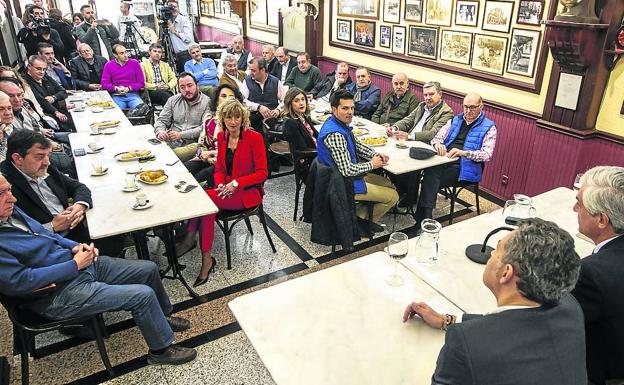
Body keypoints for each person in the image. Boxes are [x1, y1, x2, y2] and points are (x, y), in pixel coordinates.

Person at [0, 174, 198, 366]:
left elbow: (46, 233)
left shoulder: (11, 213)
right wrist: (74, 265)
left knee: (148, 269)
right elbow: (20, 282)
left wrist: (74, 246)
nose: (12, 198)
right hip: (54, 294)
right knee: (142, 295)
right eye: (2, 193)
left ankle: (161, 319)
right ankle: (160, 351)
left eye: (9, 190)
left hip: (75, 266)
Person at [403, 218, 586, 385]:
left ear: (506, 273)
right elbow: (511, 324)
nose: (490, 255)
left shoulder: (467, 343)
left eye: (496, 250)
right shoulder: (571, 308)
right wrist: (447, 320)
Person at [0, 130, 127, 257]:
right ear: (17, 158)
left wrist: (79, 206)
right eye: (39, 156)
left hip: (76, 227)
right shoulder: (4, 186)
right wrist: (52, 226)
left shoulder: (43, 165)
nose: (47, 162)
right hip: (51, 247)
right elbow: (14, 235)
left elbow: (78, 187)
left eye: (48, 155)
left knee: (119, 221)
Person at [184, 99, 267, 287]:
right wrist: (221, 185)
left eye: (237, 117)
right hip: (226, 191)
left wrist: (236, 184)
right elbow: (220, 168)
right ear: (222, 119)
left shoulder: (255, 138)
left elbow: (262, 173)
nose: (233, 121)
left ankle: (192, 242)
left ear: (243, 118)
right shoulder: (222, 138)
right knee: (208, 209)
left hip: (247, 193)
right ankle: (206, 258)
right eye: (229, 117)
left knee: (205, 202)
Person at [317, 89, 398, 233]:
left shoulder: (336, 122)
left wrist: (375, 153)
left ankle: (354, 213)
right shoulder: (335, 134)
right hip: (340, 184)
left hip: (341, 177)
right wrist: (372, 164)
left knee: (388, 184)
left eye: (352, 108)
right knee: (393, 196)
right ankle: (357, 221)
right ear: (334, 109)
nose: (350, 112)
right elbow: (347, 170)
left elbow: (356, 145)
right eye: (345, 108)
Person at [571, 166, 624, 385]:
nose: (574, 208)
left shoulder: (590, 273)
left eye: (579, 203)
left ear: (602, 220)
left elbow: (551, 322)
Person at [414, 92, 496, 226]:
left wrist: (464, 153)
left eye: (472, 107)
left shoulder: (489, 127)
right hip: (445, 158)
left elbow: (487, 154)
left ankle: (423, 218)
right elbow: (437, 137)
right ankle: (425, 218)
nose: (468, 111)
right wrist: (438, 144)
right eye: (465, 107)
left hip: (466, 166)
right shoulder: (455, 120)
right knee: (430, 171)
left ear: (481, 106)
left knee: (431, 177)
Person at [0, 81, 72, 174]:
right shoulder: (8, 126)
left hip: (37, 150)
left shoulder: (24, 106)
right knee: (64, 161)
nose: (17, 100)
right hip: (22, 170)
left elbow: (36, 128)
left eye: (9, 108)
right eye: (1, 109)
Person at [183, 83, 244, 188]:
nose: (227, 99)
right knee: (184, 170)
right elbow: (201, 145)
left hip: (228, 164)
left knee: (198, 179)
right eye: (223, 96)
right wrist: (206, 157)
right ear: (217, 100)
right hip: (208, 159)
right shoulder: (209, 120)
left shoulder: (238, 123)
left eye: (231, 97)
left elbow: (236, 154)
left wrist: (213, 154)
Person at [154, 72, 210, 160]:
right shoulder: (172, 100)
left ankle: (166, 155)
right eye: (182, 87)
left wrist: (181, 135)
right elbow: (161, 120)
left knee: (163, 156)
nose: (187, 89)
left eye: (190, 85)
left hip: (192, 144)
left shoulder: (207, 102)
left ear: (197, 86)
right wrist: (160, 132)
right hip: (171, 141)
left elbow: (205, 128)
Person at [387, 81, 454, 143]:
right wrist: (394, 128)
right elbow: (408, 120)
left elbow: (432, 133)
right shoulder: (422, 105)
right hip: (409, 141)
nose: (428, 98)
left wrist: (409, 136)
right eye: (425, 95)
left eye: (431, 94)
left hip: (423, 144)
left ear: (440, 94)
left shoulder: (446, 112)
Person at [23, 55, 74, 132]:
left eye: (44, 69)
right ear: (29, 66)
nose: (42, 72)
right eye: (38, 69)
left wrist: (54, 98)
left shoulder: (45, 77)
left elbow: (63, 92)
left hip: (60, 112)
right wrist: (56, 112)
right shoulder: (25, 82)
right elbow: (41, 100)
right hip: (47, 118)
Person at [240, 58, 287, 134]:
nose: (250, 73)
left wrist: (278, 110)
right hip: (253, 120)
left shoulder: (275, 81)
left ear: (263, 70)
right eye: (250, 70)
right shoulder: (247, 81)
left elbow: (285, 100)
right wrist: (258, 107)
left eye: (253, 70)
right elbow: (242, 100)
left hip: (272, 120)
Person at [101, 44, 146, 109]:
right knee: (115, 112)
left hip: (133, 95)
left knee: (142, 110)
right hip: (117, 95)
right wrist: (116, 88)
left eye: (126, 52)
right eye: (122, 53)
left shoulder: (135, 63)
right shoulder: (109, 65)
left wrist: (129, 88)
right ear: (115, 55)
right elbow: (104, 84)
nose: (125, 55)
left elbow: (141, 83)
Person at [282, 86, 317, 152]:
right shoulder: (290, 123)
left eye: (303, 99)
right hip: (309, 156)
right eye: (296, 101)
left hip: (317, 148)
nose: (301, 103)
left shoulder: (304, 116)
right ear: (290, 104)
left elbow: (315, 135)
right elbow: (301, 149)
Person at [166, 0, 196, 73]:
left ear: (178, 8)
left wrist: (174, 31)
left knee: (188, 76)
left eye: (174, 7)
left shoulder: (184, 20)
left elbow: (188, 38)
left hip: (186, 54)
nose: (173, 9)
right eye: (170, 7)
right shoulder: (168, 22)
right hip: (175, 56)